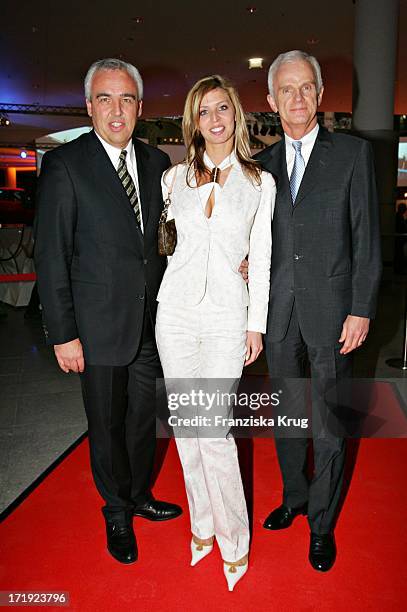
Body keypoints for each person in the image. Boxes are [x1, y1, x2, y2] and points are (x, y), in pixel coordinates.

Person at [34, 58, 181, 565]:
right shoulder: (65, 165)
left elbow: (165, 242)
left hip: (150, 324)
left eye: (125, 99)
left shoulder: (158, 163)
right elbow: (51, 253)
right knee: (106, 421)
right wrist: (62, 332)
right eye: (104, 98)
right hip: (95, 327)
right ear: (88, 105)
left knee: (144, 419)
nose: (115, 110)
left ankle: (139, 494)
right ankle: (115, 509)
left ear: (140, 107)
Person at [254, 50, 382, 571]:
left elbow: (366, 241)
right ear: (271, 100)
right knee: (287, 417)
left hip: (333, 313)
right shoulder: (257, 166)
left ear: (321, 94)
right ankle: (295, 497)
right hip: (278, 316)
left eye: (306, 87)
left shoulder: (353, 155)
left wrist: (361, 309)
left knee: (329, 423)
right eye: (286, 89)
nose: (297, 98)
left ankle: (322, 525)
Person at [155, 75, 275, 590]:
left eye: (222, 107)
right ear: (193, 121)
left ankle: (235, 539)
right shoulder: (173, 179)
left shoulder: (258, 182)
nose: (214, 118)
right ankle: (200, 525)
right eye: (203, 111)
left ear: (237, 115)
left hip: (228, 316)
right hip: (175, 315)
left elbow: (263, 259)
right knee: (186, 429)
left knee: (216, 431)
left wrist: (256, 324)